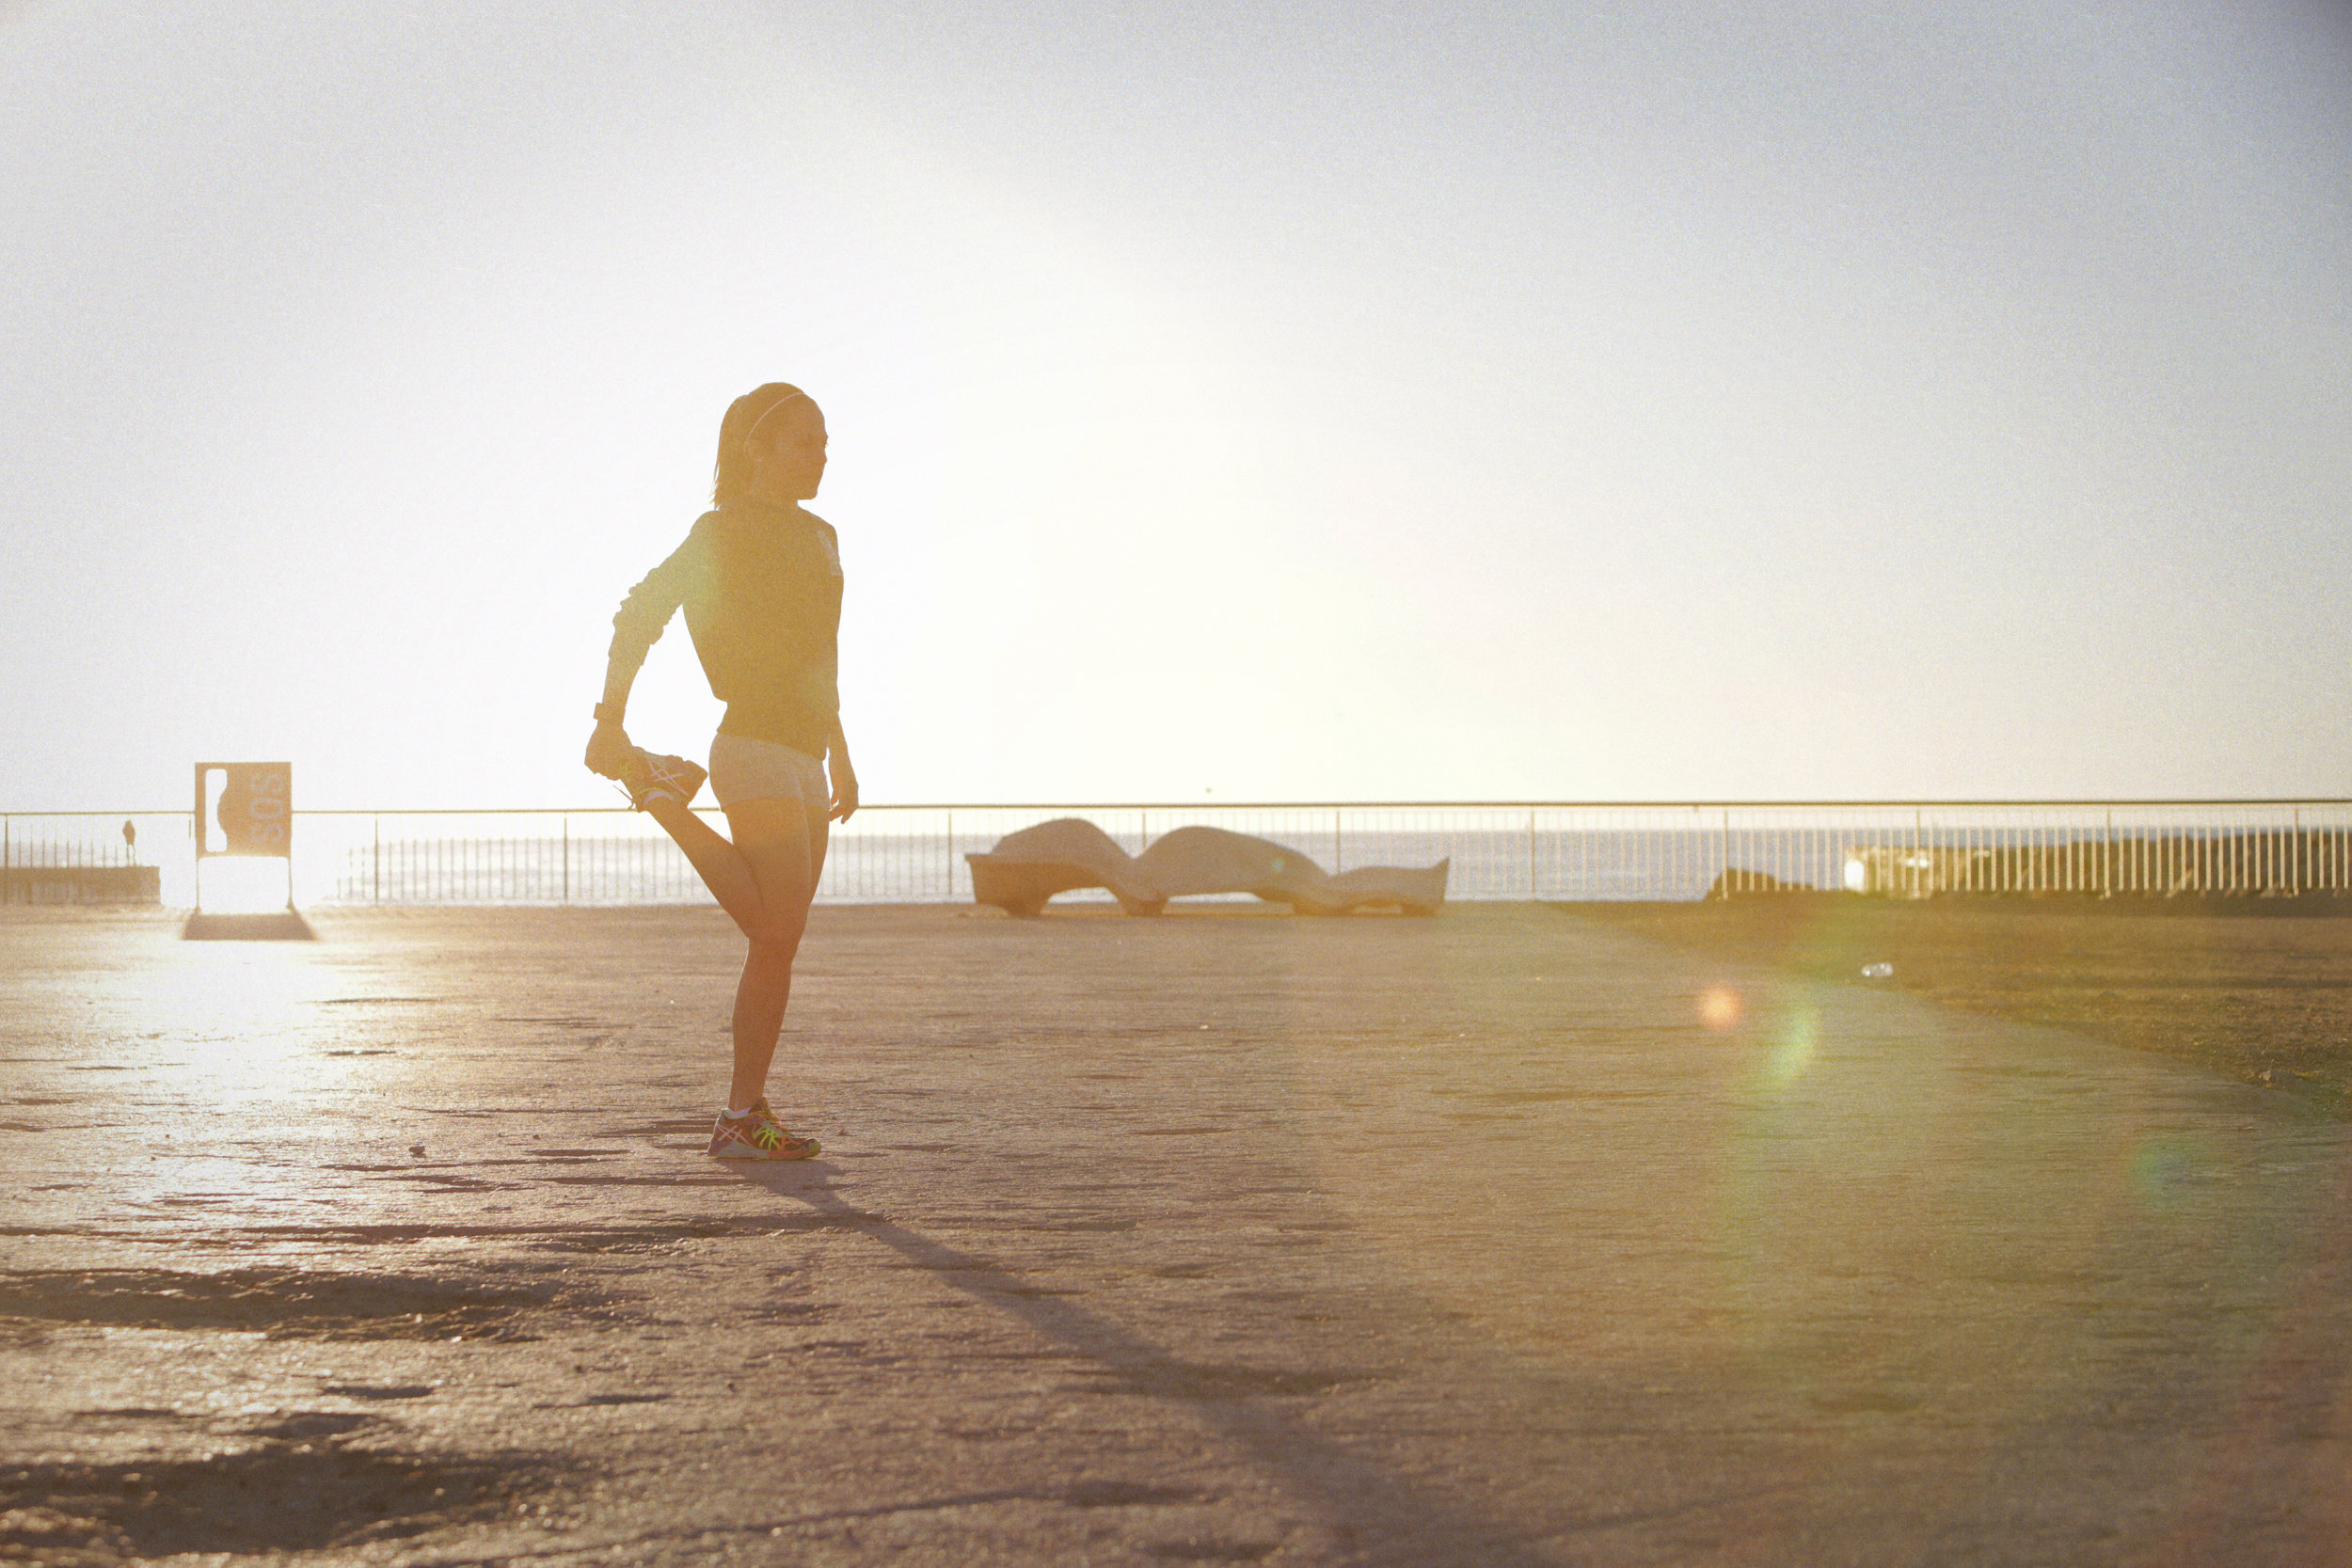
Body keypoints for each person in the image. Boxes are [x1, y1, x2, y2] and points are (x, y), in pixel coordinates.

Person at [583, 383, 857, 1161]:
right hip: (752, 746)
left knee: (779, 943)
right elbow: (640, 612)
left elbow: (818, 655)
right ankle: (662, 796)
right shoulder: (721, 533)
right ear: (755, 449)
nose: (822, 454)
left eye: (825, 439)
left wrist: (840, 748)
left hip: (804, 752)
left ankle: (742, 1114)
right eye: (804, 440)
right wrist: (610, 718)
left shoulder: (825, 537)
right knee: (774, 925)